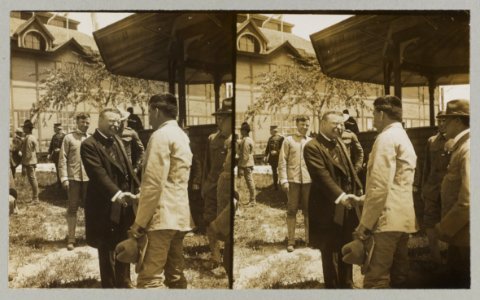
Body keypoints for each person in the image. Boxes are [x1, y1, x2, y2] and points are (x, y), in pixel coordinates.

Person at [128, 93, 193, 289]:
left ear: (156, 110)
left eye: (149, 111)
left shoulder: (160, 136)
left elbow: (153, 184)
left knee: (149, 279)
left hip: (161, 219)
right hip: (180, 217)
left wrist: (138, 223)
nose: (149, 116)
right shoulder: (182, 135)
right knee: (175, 275)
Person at [354, 95, 418, 289]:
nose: (373, 118)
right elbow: (397, 182)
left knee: (376, 279)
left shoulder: (385, 138)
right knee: (399, 277)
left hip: (385, 221)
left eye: (373, 113)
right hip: (403, 220)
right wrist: (363, 198)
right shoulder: (403, 136)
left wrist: (364, 225)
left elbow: (379, 185)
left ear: (381, 114)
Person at [80, 108, 139, 288]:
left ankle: (125, 281)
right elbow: (99, 175)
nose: (116, 124)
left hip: (125, 202)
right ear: (100, 121)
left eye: (117, 121)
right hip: (104, 205)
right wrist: (117, 194)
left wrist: (137, 187)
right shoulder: (89, 144)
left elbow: (128, 169)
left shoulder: (118, 141)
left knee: (125, 241)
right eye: (111, 121)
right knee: (106, 247)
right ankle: (111, 286)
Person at [303, 111, 363, 288]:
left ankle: (348, 283)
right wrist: (341, 196)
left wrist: (358, 187)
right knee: (330, 249)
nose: (339, 127)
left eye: (341, 124)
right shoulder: (312, 146)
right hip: (327, 207)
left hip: (347, 204)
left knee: (347, 243)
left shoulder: (340, 143)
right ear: (322, 124)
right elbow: (322, 177)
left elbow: (350, 168)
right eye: (335, 124)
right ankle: (334, 287)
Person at [434, 99, 470, 288]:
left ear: (457, 121)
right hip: (461, 234)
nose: (443, 124)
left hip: (465, 236)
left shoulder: (468, 148)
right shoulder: (461, 146)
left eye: (446, 120)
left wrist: (445, 227)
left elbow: (468, 201)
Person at [205, 98, 233, 285]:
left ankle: (227, 256)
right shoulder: (212, 138)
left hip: (226, 186)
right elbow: (207, 162)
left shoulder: (233, 140)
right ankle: (215, 255)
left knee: (224, 222)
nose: (219, 121)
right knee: (209, 218)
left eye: (223, 118)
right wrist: (204, 183)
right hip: (212, 184)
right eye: (219, 118)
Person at [278, 116, 312, 252]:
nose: (305, 127)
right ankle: (291, 241)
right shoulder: (288, 141)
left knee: (308, 211)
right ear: (297, 124)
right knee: (291, 210)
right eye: (302, 124)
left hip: (308, 181)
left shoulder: (311, 142)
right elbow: (282, 161)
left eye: (307, 124)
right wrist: (284, 180)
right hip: (293, 181)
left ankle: (309, 240)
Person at [58, 113, 91, 251]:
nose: (85, 124)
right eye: (82, 122)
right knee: (72, 208)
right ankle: (71, 238)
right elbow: (62, 159)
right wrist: (64, 178)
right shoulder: (68, 138)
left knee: (90, 208)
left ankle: (90, 237)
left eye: (87, 122)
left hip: (89, 179)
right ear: (77, 122)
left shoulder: (91, 138)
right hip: (73, 178)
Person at [421, 111, 449, 264]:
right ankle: (436, 260)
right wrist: (423, 188)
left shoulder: (458, 141)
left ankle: (454, 260)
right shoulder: (431, 141)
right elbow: (426, 166)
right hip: (432, 190)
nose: (441, 123)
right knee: (429, 223)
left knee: (452, 224)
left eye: (445, 120)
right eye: (439, 120)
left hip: (449, 191)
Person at [118, 108, 145, 178]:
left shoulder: (131, 132)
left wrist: (136, 167)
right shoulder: (111, 133)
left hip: (128, 169)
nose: (122, 123)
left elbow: (141, 150)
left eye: (123, 121)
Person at [21, 120, 39, 203]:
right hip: (32, 161)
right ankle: (35, 197)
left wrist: (24, 165)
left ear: (28, 129)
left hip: (29, 162)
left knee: (32, 179)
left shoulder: (28, 138)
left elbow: (28, 154)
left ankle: (35, 198)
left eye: (25, 128)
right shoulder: (32, 137)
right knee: (33, 179)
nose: (23, 129)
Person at [238, 122, 256, 206]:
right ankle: (252, 200)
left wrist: (241, 167)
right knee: (250, 182)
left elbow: (245, 156)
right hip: (249, 164)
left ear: (245, 131)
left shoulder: (245, 141)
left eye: (241, 130)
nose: (240, 131)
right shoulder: (248, 139)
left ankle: (253, 201)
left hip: (246, 165)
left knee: (250, 182)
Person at [264, 125, 284, 190]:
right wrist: (265, 155)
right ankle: (275, 186)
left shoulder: (281, 138)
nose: (270, 131)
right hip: (273, 158)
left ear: (274, 131)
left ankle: (282, 185)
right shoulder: (270, 138)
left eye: (271, 130)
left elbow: (283, 148)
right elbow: (267, 148)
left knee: (281, 171)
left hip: (280, 158)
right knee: (274, 172)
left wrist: (277, 152)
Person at [47, 123, 66, 187]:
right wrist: (49, 153)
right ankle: (59, 183)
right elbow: (51, 146)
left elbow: (66, 147)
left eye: (54, 128)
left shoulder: (65, 136)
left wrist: (60, 149)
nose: (53, 129)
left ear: (58, 129)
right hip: (56, 156)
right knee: (57, 169)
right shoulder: (54, 136)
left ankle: (64, 182)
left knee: (63, 169)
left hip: (63, 156)